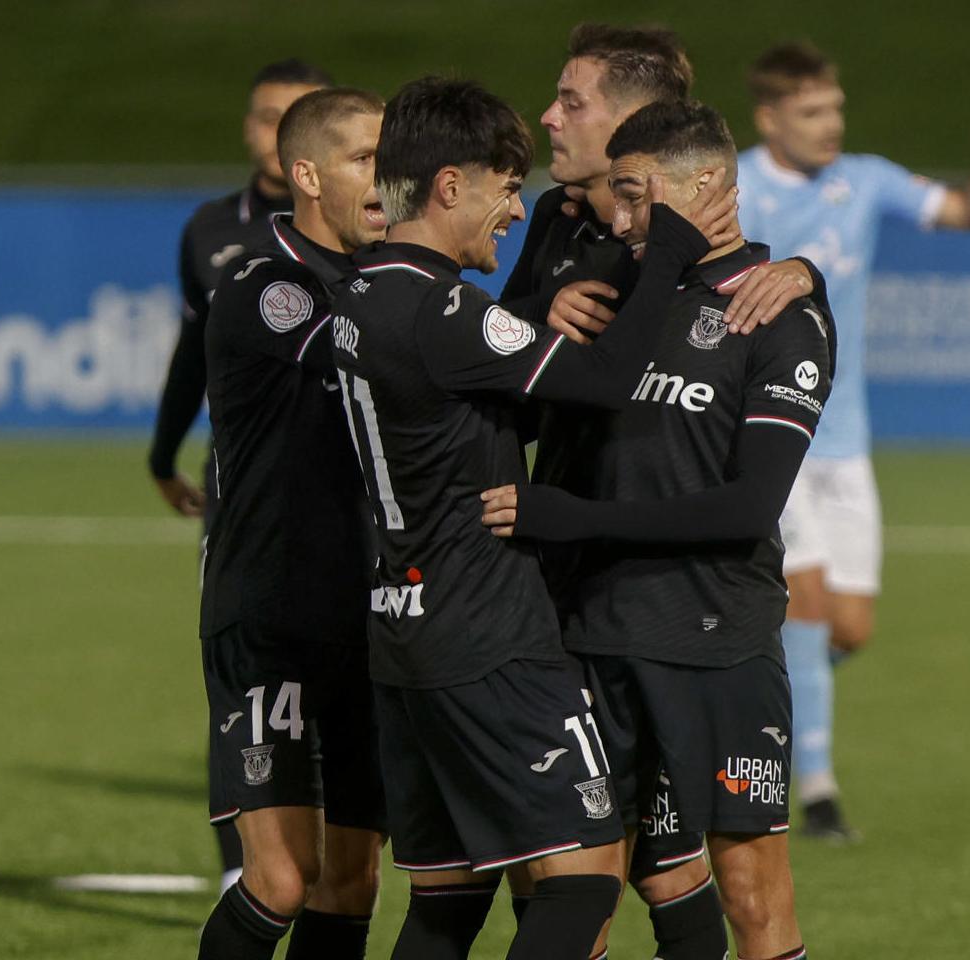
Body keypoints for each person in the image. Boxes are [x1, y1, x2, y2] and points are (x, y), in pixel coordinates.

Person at [331, 76, 733, 960]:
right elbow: (605, 380)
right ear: (449, 187)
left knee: (444, 902)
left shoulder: (359, 297)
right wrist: (665, 252)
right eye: (502, 189)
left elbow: (477, 385)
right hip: (490, 631)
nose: (514, 212)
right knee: (587, 877)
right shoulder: (441, 312)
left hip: (402, 632)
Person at [480, 98, 833, 960]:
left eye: (637, 196)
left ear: (708, 185)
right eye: (617, 197)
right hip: (587, 639)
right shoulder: (612, 295)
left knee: (750, 897)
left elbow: (751, 505)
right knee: (574, 898)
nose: (623, 218)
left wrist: (576, 520)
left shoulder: (780, 315)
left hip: (715, 641)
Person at [737, 41, 970, 840]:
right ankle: (820, 792)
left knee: (849, 628)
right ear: (770, 118)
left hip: (846, 436)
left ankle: (744, 687)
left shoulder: (862, 182)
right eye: (811, 113)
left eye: (835, 108)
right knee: (808, 604)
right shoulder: (733, 187)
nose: (831, 125)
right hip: (767, 433)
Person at [194, 87, 388, 960]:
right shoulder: (264, 284)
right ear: (306, 174)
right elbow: (376, 347)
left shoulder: (388, 281)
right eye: (364, 160)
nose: (387, 180)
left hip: (369, 617)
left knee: (354, 880)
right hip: (270, 617)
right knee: (276, 880)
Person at [143, 57, 331, 891]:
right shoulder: (211, 229)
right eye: (263, 116)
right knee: (243, 681)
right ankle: (240, 874)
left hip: (342, 487)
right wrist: (162, 452)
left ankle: (338, 860)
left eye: (293, 117)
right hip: (243, 489)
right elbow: (195, 351)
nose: (273, 132)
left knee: (344, 687)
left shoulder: (360, 222)